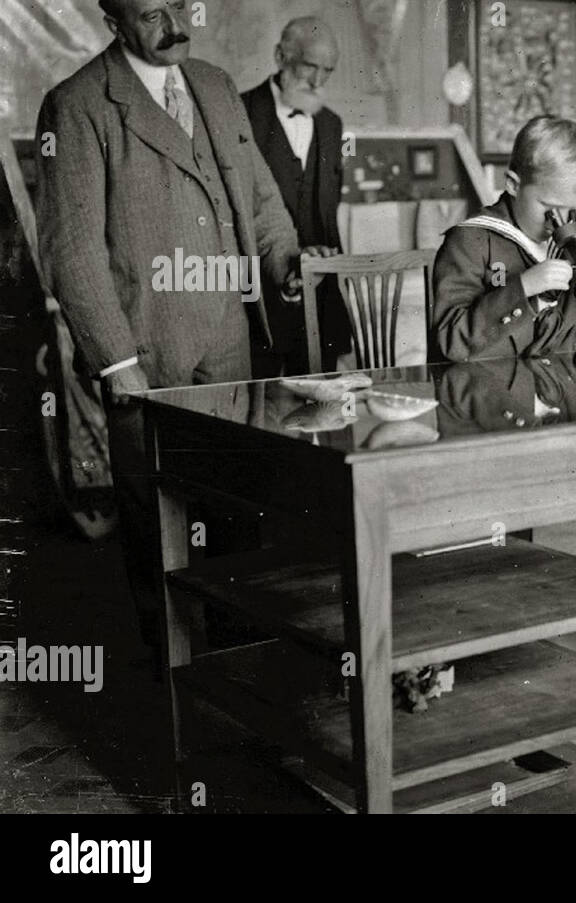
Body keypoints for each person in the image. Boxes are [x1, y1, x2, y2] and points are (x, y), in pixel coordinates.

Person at [35, 0, 304, 654]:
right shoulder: (78, 105)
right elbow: (72, 250)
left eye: (181, 5)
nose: (174, 24)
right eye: (152, 13)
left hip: (231, 346)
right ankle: (175, 700)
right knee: (162, 538)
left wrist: (284, 259)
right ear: (112, 19)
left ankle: (243, 671)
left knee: (237, 515)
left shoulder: (212, 86)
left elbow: (262, 198)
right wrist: (116, 362)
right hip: (148, 359)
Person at [430, 115, 576, 362]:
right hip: (485, 392)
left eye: (574, 212)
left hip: (551, 389)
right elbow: (451, 342)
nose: (561, 224)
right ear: (514, 185)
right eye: (550, 208)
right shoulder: (470, 241)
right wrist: (522, 288)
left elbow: (571, 343)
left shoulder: (568, 244)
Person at [242, 16, 346, 376]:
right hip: (259, 306)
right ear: (280, 56)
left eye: (327, 71)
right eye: (310, 67)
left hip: (322, 304)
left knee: (327, 415)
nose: (318, 82)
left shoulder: (332, 125)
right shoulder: (238, 116)